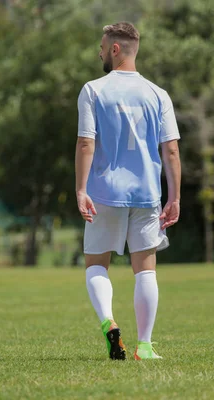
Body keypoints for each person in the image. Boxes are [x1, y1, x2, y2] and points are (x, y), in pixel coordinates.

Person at [75, 21, 181, 361]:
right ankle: (145, 347)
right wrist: (175, 197)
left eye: (103, 46)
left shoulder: (93, 90)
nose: (99, 51)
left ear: (115, 49)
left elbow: (85, 143)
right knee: (146, 270)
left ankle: (109, 323)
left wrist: (80, 188)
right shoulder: (158, 94)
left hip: (104, 193)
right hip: (147, 195)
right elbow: (172, 150)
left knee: (96, 266)